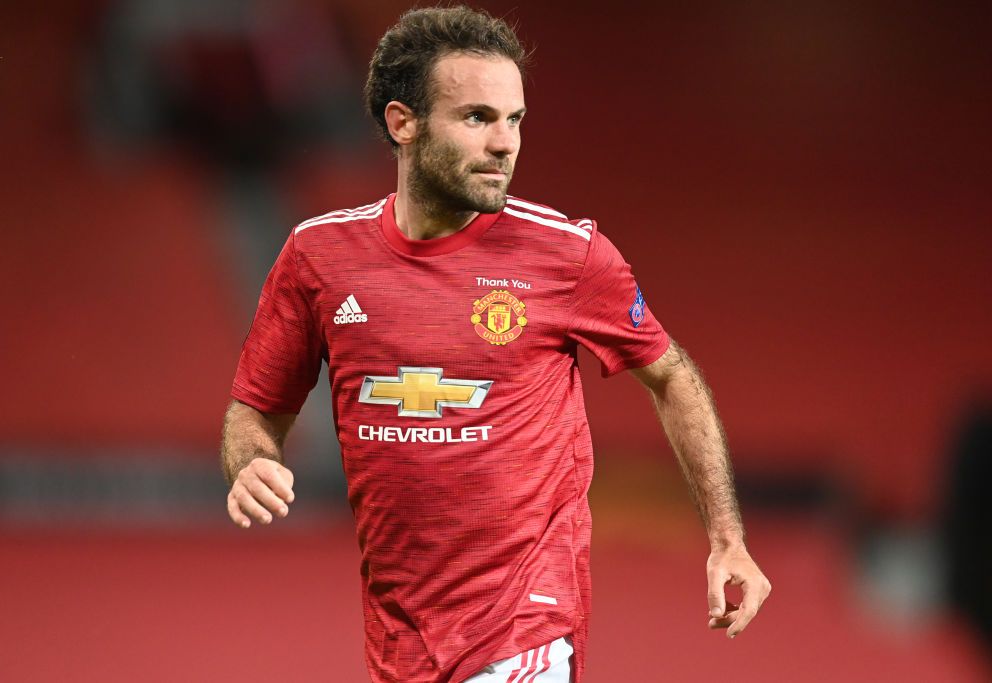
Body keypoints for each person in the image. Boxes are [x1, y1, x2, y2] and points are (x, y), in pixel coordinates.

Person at [220, 6, 770, 682]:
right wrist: (249, 463)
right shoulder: (319, 256)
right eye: (478, 118)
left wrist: (726, 537)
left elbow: (672, 375)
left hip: (525, 627)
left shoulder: (569, 254)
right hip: (401, 641)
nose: (506, 142)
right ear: (403, 123)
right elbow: (254, 413)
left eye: (515, 120)